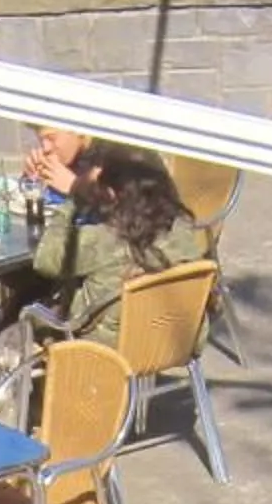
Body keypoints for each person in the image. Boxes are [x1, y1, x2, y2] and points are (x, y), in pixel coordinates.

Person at [17, 148, 208, 353]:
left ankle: (40, 383)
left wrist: (75, 196)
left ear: (111, 193)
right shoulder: (182, 227)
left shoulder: (107, 240)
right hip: (173, 340)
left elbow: (45, 258)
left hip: (106, 349)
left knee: (19, 321)